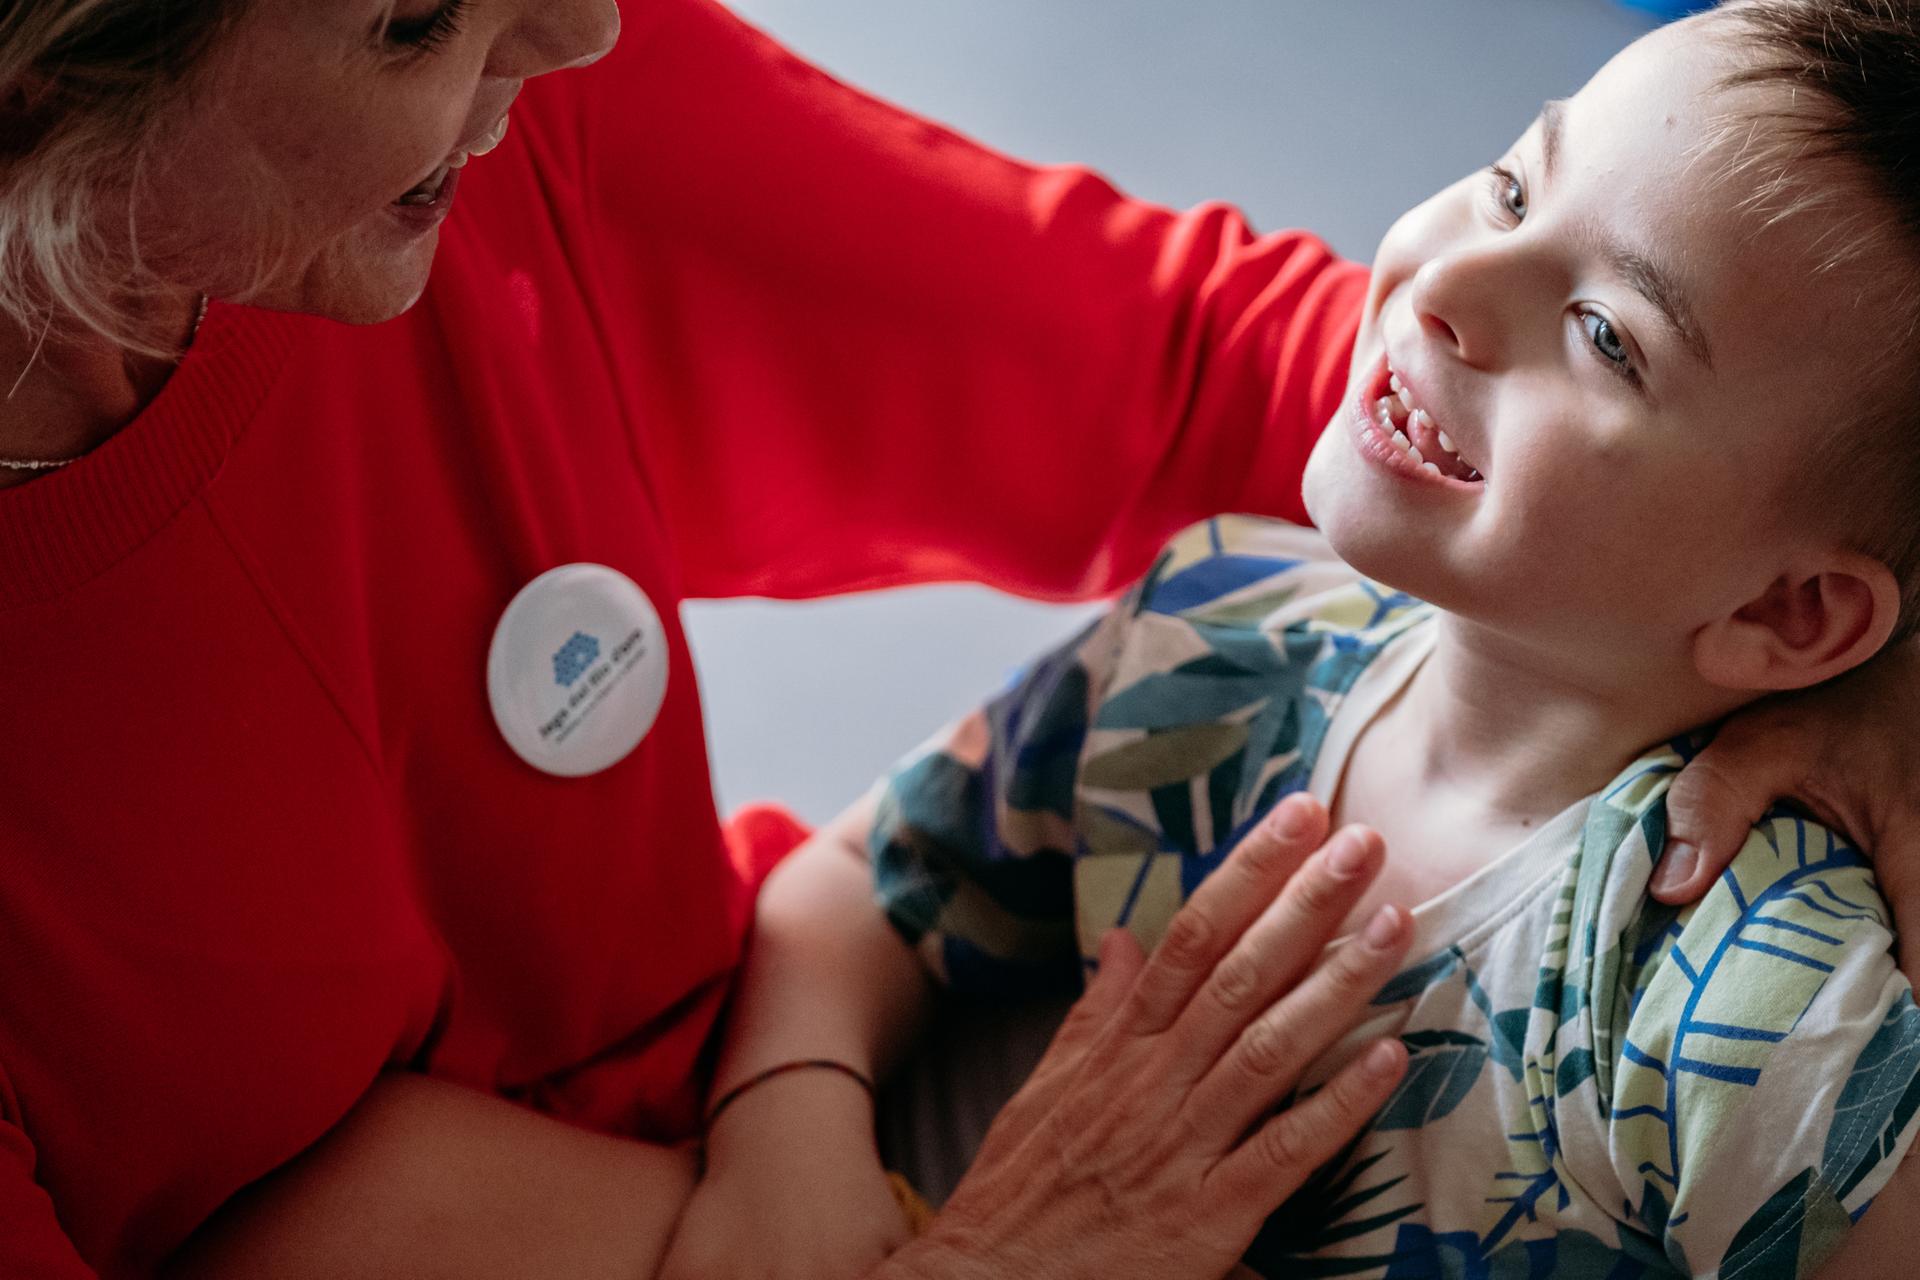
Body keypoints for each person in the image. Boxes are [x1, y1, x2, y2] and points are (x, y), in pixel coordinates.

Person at [0, 0, 1900, 1276]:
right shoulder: (1211, 651)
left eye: (1610, 332)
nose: (579, 26)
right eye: (416, 10)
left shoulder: (1770, 1016)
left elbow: (1209, 367)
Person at [681, 3, 1920, 1276]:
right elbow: (857, 893)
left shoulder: (1755, 1005)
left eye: (1606, 336)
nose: (1445, 288)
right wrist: (783, 1133)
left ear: (1790, 613)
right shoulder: (1217, 624)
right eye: (1507, 191)